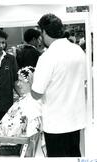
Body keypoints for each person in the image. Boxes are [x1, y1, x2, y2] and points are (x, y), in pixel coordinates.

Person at [31, 13, 87, 157]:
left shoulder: (47, 57)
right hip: (76, 120)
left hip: (56, 123)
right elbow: (84, 79)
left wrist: (31, 81)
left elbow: (37, 93)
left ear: (43, 32)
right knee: (74, 155)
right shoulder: (78, 51)